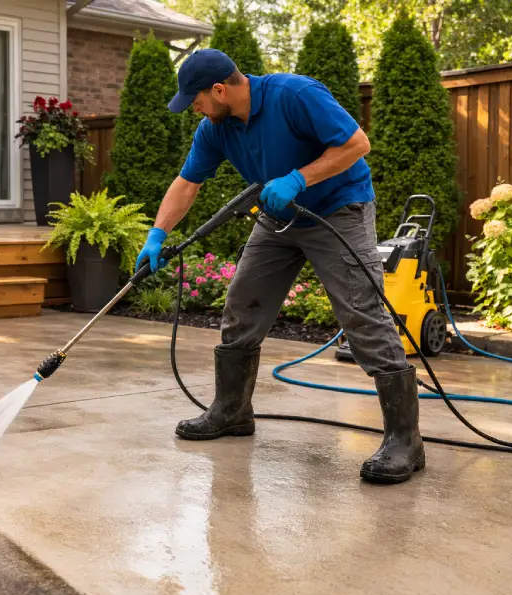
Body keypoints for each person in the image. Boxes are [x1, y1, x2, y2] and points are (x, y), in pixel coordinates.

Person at [135, 49, 424, 484]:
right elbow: (187, 182)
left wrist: (299, 178)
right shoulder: (214, 128)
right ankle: (231, 412)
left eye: (194, 99)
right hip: (278, 219)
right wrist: (157, 233)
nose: (192, 108)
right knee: (242, 304)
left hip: (338, 209)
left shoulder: (295, 94)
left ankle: (405, 441)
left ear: (219, 90)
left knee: (362, 313)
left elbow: (357, 143)